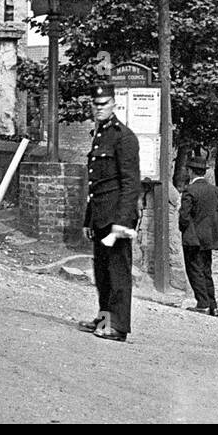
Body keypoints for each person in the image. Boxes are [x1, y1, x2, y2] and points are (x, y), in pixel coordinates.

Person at [78, 82, 141, 342]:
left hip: (116, 218)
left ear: (114, 104)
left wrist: (122, 221)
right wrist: (88, 218)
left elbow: (130, 183)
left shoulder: (123, 137)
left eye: (104, 104)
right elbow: (96, 183)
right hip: (101, 215)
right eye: (95, 104)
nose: (99, 108)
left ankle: (119, 327)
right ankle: (103, 321)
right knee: (102, 274)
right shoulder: (100, 134)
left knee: (118, 273)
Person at [179, 155, 218, 316]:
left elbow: (184, 217)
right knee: (206, 269)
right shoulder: (215, 191)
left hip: (193, 237)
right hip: (209, 238)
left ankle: (202, 303)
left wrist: (184, 231)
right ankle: (213, 304)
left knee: (194, 269)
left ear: (191, 171)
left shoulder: (189, 191)